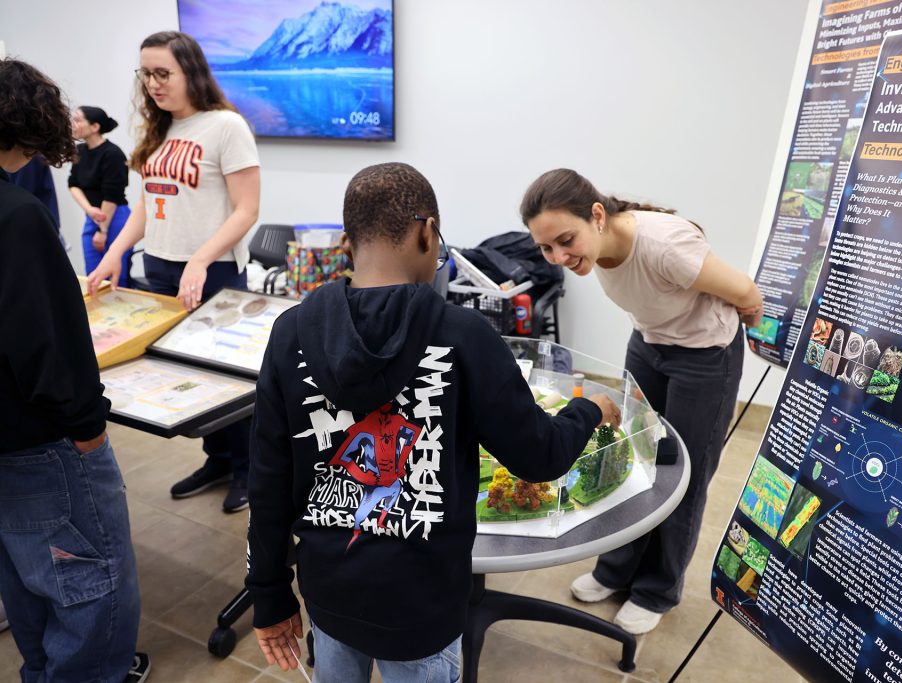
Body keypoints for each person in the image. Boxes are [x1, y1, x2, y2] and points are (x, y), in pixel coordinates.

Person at [245, 162, 622, 682]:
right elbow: (541, 456)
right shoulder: (465, 336)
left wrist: (268, 593)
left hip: (328, 593)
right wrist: (590, 409)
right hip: (422, 606)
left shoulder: (291, 333)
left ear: (348, 244)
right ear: (428, 234)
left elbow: (267, 479)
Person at [520, 168, 764, 635]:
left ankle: (657, 590)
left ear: (597, 216)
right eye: (546, 248)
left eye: (566, 241)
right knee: (630, 454)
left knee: (685, 473)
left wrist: (751, 320)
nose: (559, 258)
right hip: (649, 342)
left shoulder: (665, 244)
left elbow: (746, 293)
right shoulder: (593, 247)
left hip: (705, 355)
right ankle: (616, 570)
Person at [0, 57, 150, 683]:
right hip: (42, 440)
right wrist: (88, 430)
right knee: (94, 587)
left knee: (27, 577)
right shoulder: (16, 215)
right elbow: (46, 343)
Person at [87, 31, 261, 513]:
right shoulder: (159, 129)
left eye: (164, 73)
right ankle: (218, 460)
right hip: (161, 268)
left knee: (227, 380)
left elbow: (247, 209)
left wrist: (201, 258)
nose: (153, 83)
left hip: (212, 271)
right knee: (191, 378)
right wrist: (115, 253)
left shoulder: (226, 126)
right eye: (146, 74)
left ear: (192, 72)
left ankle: (249, 471)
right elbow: (148, 205)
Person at [69, 106, 132, 286]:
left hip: (115, 216)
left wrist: (102, 230)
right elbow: (73, 184)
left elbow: (112, 194)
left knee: (117, 278)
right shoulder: (80, 151)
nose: (73, 124)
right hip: (93, 216)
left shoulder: (113, 154)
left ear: (95, 127)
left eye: (78, 120)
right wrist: (89, 209)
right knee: (93, 275)